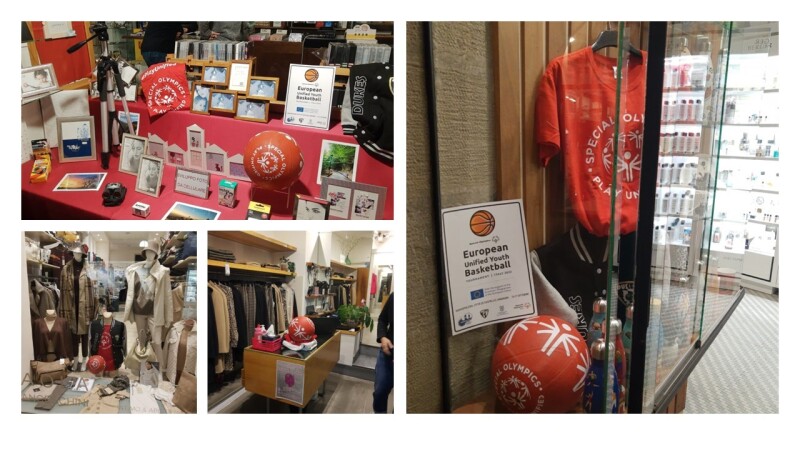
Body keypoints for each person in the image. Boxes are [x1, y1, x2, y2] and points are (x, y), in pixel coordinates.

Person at [373, 293, 394, 413]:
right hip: (388, 353)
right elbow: (382, 319)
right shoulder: (395, 297)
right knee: (379, 392)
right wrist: (383, 337)